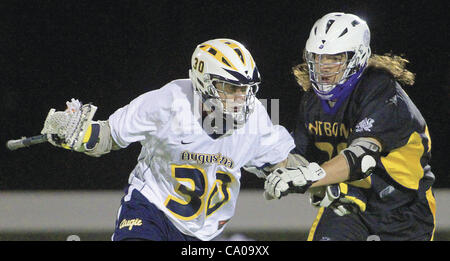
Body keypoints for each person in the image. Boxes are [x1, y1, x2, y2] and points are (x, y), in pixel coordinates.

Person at [40, 38, 298, 241]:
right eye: (231, 88)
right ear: (204, 82)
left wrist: (307, 174)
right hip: (151, 209)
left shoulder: (257, 117)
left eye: (246, 89)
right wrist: (78, 134)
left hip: (204, 233)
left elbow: (282, 163)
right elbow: (108, 136)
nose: (241, 98)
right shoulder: (167, 102)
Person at [263, 12, 436, 241]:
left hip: (404, 210)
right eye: (318, 57)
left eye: (334, 58)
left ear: (357, 57)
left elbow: (362, 159)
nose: (323, 66)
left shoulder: (380, 89)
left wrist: (309, 177)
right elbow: (298, 158)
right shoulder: (312, 100)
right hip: (350, 205)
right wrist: (262, 156)